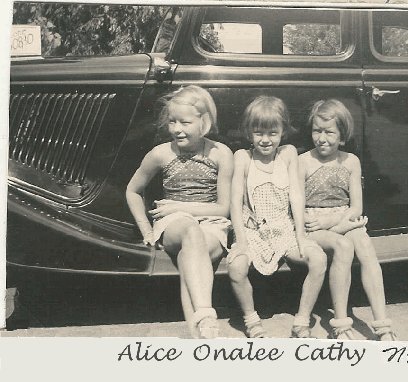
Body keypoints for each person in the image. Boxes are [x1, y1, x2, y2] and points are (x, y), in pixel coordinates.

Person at [126, 85, 233, 339]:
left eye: (185, 122)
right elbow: (133, 190)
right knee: (190, 232)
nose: (177, 129)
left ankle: (200, 336)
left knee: (190, 256)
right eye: (172, 121)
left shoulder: (221, 154)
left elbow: (223, 208)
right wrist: (146, 228)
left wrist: (182, 206)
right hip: (174, 222)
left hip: (213, 222)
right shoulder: (161, 154)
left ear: (204, 122)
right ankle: (207, 314)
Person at [227, 96, 328, 339]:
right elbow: (235, 201)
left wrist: (301, 236)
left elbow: (296, 194)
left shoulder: (288, 154)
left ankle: (302, 320)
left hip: (284, 228)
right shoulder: (243, 157)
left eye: (273, 132)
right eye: (259, 132)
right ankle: (252, 320)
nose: (265, 139)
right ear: (249, 132)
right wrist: (240, 240)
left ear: (283, 131)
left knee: (318, 259)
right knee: (236, 267)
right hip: (254, 231)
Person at [299, 99, 398, 341]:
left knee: (364, 246)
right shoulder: (303, 161)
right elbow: (299, 207)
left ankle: (382, 324)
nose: (322, 138)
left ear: (342, 134)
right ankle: (341, 324)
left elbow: (356, 206)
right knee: (344, 246)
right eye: (317, 131)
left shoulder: (351, 161)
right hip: (315, 224)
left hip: (344, 218)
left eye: (329, 132)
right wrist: (329, 225)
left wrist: (338, 224)